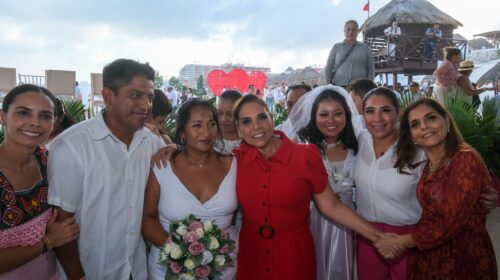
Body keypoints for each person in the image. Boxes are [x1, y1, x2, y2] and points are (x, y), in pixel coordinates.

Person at [232, 94, 389, 280]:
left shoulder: (305, 156)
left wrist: (379, 237)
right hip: (252, 253)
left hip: (294, 253)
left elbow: (332, 206)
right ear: (239, 129)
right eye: (246, 121)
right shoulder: (234, 161)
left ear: (272, 118)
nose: (256, 126)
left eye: (262, 117)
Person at [48, 59, 165, 279]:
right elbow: (62, 222)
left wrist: (173, 149)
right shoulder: (71, 146)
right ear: (109, 96)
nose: (145, 105)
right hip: (90, 270)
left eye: (149, 97)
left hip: (136, 269)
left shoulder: (150, 142)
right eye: (135, 95)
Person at [379, 98, 498, 279]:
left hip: (462, 259)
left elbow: (448, 221)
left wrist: (403, 241)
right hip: (429, 257)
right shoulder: (429, 164)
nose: (424, 127)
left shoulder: (464, 159)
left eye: (431, 118)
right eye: (415, 124)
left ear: (447, 121)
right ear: (412, 135)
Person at [142, 99, 238, 280]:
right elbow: (146, 218)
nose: (206, 132)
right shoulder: (162, 165)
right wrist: (181, 253)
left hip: (223, 269)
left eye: (212, 124)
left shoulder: (233, 164)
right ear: (182, 132)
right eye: (197, 125)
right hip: (169, 268)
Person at [0, 84, 79, 278]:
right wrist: (48, 242)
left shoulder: (46, 159)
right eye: (24, 113)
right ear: (3, 117)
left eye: (45, 116)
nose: (35, 123)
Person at [297, 86, 359, 279]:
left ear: (347, 116)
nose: (331, 121)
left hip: (352, 224)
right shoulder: (303, 147)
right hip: (315, 222)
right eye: (323, 114)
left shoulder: (359, 145)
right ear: (314, 117)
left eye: (337, 114)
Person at [325, 20, 374, 87]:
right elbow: (329, 67)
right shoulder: (336, 47)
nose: (351, 32)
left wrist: (370, 85)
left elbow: (370, 68)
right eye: (348, 29)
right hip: (340, 86)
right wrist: (327, 85)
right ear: (344, 31)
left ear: (358, 31)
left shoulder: (365, 48)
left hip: (360, 88)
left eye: (354, 30)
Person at [214, 90, 242, 154]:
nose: (223, 119)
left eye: (229, 114)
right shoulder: (210, 139)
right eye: (220, 113)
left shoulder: (249, 140)